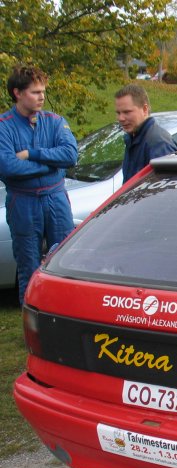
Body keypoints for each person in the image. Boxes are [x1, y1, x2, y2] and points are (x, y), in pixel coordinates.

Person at [0, 65, 78, 304]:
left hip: (56, 199)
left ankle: (64, 316)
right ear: (17, 93)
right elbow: (8, 167)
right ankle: (32, 320)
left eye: (43, 91)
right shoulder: (4, 126)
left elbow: (70, 155)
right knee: (28, 266)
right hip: (23, 201)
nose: (42, 96)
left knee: (64, 261)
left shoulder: (55, 122)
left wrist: (32, 154)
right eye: (35, 92)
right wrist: (50, 166)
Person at [114, 84, 177, 182]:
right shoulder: (133, 139)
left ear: (145, 109)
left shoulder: (159, 144)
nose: (121, 118)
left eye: (127, 112)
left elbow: (170, 187)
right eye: (118, 113)